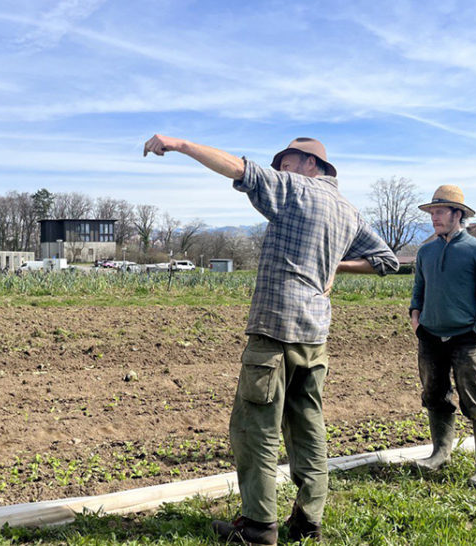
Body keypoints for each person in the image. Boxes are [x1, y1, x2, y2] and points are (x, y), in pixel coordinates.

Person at [144, 135, 398, 544]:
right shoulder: (348, 210)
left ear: (310, 164)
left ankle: (259, 528)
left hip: (276, 332)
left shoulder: (294, 189)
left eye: (288, 160)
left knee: (255, 428)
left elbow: (239, 168)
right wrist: (335, 266)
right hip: (315, 338)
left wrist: (178, 144)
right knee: (308, 426)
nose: (281, 167)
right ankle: (308, 520)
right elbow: (386, 260)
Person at [408, 185, 476, 488]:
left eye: (439, 212)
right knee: (434, 396)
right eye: (431, 212)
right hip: (430, 337)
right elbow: (418, 290)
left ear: (457, 214)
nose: (433, 217)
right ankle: (440, 453)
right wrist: (416, 318)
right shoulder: (426, 251)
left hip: (465, 338)